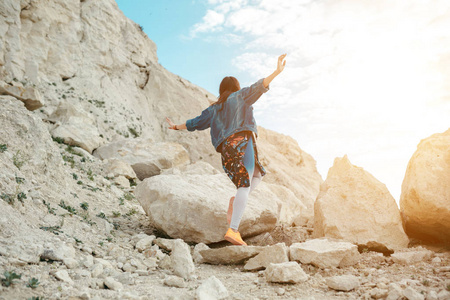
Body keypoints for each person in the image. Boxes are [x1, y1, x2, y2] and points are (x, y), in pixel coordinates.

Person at [165, 54, 287, 246]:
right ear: (236, 88)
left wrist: (175, 127)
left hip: (227, 152)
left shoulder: (213, 109)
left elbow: (195, 123)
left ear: (221, 90)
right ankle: (233, 229)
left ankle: (236, 201)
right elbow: (259, 86)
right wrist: (277, 72)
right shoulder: (240, 97)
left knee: (256, 175)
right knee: (246, 185)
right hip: (242, 144)